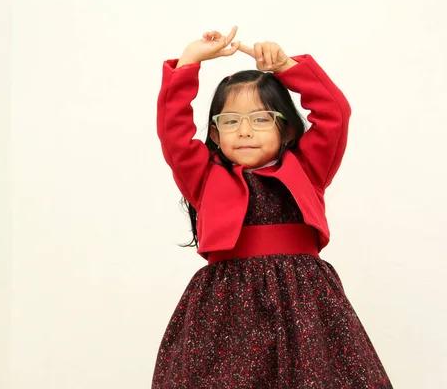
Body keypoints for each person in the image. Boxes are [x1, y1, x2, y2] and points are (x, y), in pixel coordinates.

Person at [152, 26, 393, 388]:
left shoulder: (308, 168)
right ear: (215, 135)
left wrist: (286, 66)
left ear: (288, 130)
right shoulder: (203, 176)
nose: (245, 131)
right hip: (225, 311)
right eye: (230, 121)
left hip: (306, 306)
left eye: (261, 118)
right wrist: (188, 63)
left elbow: (335, 113)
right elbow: (173, 130)